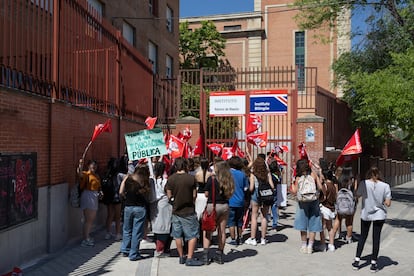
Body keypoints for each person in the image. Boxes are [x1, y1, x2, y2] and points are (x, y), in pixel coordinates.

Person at [352, 166, 391, 272]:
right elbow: (388, 203)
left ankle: (357, 261)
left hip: (366, 214)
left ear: (369, 173)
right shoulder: (385, 186)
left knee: (363, 237)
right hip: (379, 214)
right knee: (376, 238)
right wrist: (381, 200)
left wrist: (356, 182)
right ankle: (373, 263)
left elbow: (357, 195)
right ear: (379, 174)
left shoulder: (364, 184)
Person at [166, 157, 203, 266]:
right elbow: (194, 195)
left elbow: (169, 193)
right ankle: (190, 258)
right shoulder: (191, 178)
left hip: (176, 210)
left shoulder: (171, 179)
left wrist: (172, 201)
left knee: (177, 235)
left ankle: (181, 256)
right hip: (188, 210)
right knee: (192, 235)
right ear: (185, 165)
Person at [202, 161, 235, 265]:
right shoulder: (229, 180)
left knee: (208, 230)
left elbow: (206, 194)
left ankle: (205, 256)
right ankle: (220, 255)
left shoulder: (211, 179)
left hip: (212, 205)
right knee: (222, 231)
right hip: (224, 205)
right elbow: (230, 194)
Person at [290, 158, 323, 254]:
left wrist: (292, 183)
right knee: (313, 222)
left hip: (302, 202)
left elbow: (295, 191)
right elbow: (320, 187)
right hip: (314, 200)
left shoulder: (298, 177)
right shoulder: (313, 174)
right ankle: (310, 246)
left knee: (302, 223)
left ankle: (304, 246)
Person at [119, 165, 151, 261]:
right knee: (137, 232)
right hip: (140, 208)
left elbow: (120, 192)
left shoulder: (129, 179)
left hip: (128, 206)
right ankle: (134, 253)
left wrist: (125, 196)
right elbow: (148, 196)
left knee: (126, 229)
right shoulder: (145, 181)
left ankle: (125, 249)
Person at [245, 157, 275, 246]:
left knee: (254, 216)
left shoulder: (253, 174)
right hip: (265, 195)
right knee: (264, 216)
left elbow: (251, 188)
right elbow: (272, 186)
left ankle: (253, 238)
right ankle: (263, 239)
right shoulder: (267, 174)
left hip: (256, 195)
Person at [77, 159, 102, 247]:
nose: (94, 167)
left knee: (91, 219)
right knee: (88, 219)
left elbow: (98, 186)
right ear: (88, 166)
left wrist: (100, 193)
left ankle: (87, 236)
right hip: (88, 196)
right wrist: (80, 165)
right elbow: (79, 173)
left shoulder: (96, 175)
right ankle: (85, 239)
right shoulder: (86, 174)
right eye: (92, 165)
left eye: (95, 165)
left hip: (94, 196)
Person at [150, 162, 173, 257]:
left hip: (153, 204)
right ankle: (160, 249)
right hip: (163, 204)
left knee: (156, 226)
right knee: (163, 227)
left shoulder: (151, 180)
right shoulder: (165, 181)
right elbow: (168, 193)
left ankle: (159, 247)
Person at [227, 156, 249, 245]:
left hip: (230, 200)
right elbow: (246, 188)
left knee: (231, 221)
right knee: (239, 221)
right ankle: (240, 237)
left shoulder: (228, 174)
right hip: (240, 200)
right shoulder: (242, 174)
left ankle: (233, 239)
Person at [332, 167, 357, 243]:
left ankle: (332, 235)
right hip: (349, 203)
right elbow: (355, 190)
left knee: (338, 219)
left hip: (340, 202)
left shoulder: (340, 179)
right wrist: (356, 181)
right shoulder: (351, 181)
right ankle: (349, 237)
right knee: (349, 221)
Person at [102, 158, 122, 241]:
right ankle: (117, 233)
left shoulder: (106, 174)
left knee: (110, 215)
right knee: (117, 217)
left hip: (109, 197)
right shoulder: (119, 175)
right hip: (117, 197)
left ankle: (108, 232)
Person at [319, 168, 337, 252]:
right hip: (331, 208)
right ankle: (331, 244)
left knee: (323, 227)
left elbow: (323, 197)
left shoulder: (325, 185)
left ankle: (323, 245)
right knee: (330, 227)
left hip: (324, 207)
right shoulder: (333, 185)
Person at [269, 161, 281, 230]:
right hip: (276, 192)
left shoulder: (270, 175)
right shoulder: (278, 175)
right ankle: (275, 223)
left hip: (270, 192)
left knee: (268, 208)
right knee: (274, 208)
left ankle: (268, 220)